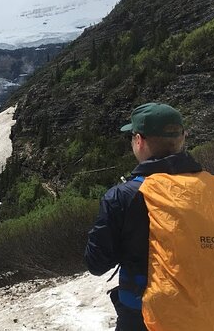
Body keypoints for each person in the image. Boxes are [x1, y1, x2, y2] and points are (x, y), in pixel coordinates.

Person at [84, 102, 201, 330]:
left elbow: (96, 263)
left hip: (144, 315)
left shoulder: (122, 197)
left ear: (139, 140)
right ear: (182, 138)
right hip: (207, 310)